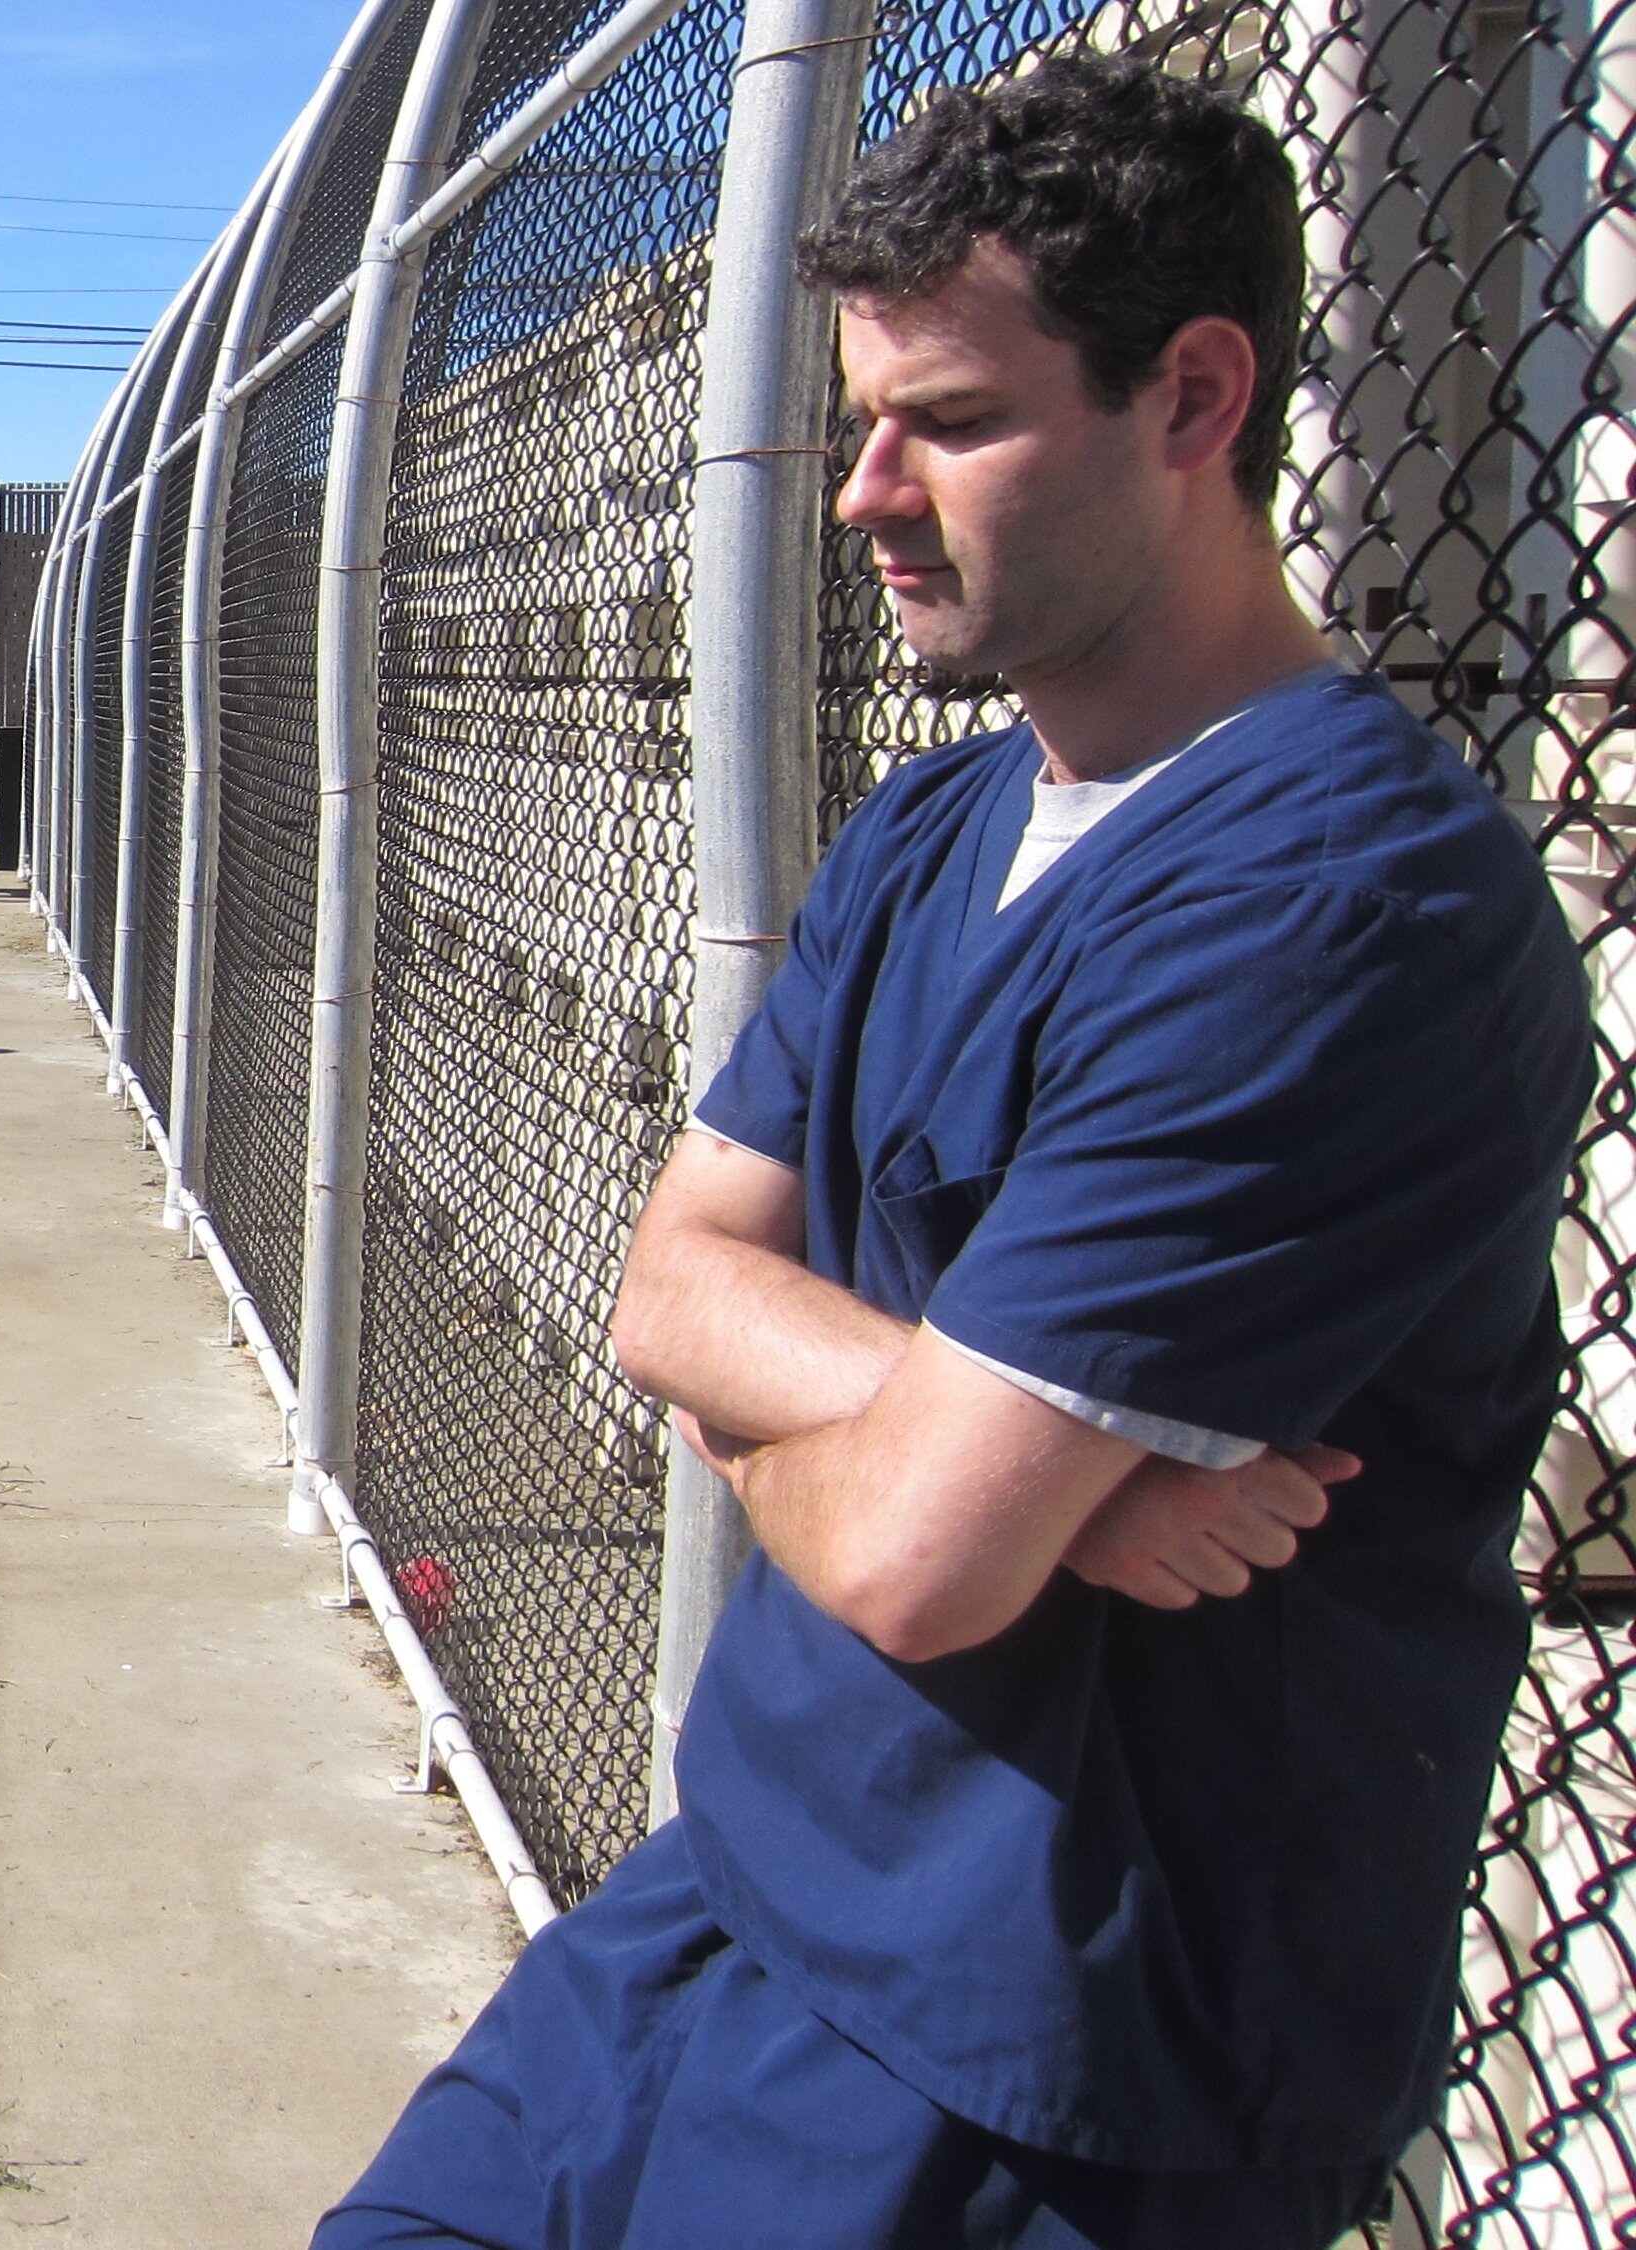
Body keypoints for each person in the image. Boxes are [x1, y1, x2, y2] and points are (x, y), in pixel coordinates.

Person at [322, 56, 1588, 2248]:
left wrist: (803, 1428)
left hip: (1042, 2047)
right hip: (736, 1885)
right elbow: (665, 1287)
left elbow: (911, 1555)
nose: (862, 495)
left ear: (1195, 398)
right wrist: (1027, 1476)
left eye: (956, 422)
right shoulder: (933, 826)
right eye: (858, 419)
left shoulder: (1336, 911)